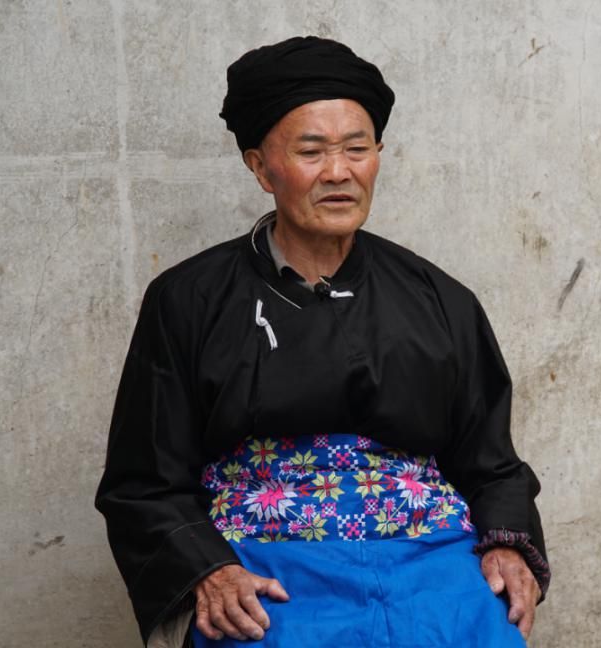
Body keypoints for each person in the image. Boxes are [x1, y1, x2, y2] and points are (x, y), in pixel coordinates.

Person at [95, 36, 549, 648]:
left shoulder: (440, 298)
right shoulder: (188, 299)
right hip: (262, 560)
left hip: (430, 554)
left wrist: (507, 544)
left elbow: (491, 462)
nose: (339, 172)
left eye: (357, 149)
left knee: (484, 633)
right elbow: (144, 480)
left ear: (378, 156)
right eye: (311, 151)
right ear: (261, 167)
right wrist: (210, 569)